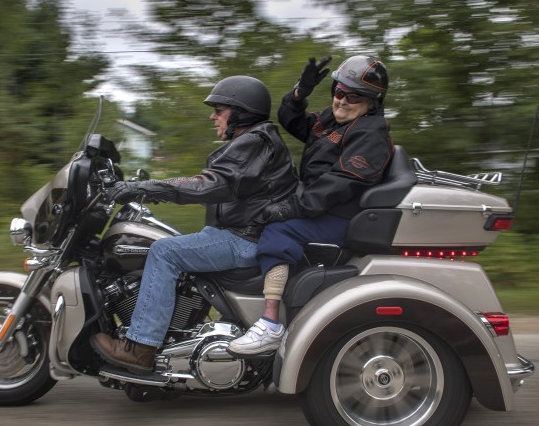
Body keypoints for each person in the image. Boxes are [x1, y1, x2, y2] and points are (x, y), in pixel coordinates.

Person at [91, 75, 299, 375]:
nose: (213, 116)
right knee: (165, 240)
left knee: (163, 251)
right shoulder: (253, 142)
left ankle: (141, 349)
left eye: (220, 109)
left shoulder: (254, 142)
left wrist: (143, 188)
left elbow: (208, 185)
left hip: (244, 238)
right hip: (237, 232)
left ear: (240, 112)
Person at [227, 55, 394, 356]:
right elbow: (294, 122)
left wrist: (290, 208)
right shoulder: (335, 119)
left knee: (278, 229)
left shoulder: (371, 134)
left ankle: (270, 323)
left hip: (342, 216)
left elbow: (338, 184)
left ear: (373, 101)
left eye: (353, 95)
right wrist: (299, 93)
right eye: (338, 91)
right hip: (321, 206)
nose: (342, 101)